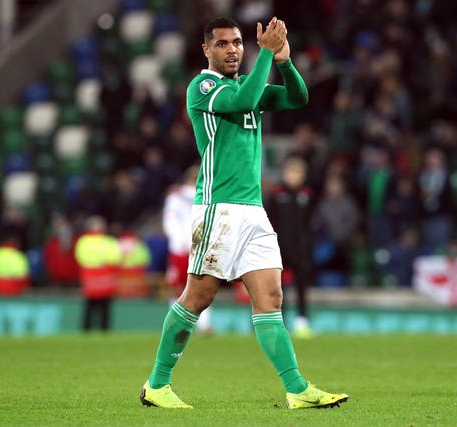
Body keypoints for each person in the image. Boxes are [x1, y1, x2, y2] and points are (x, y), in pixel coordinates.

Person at [140, 16, 347, 410]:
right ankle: (157, 384)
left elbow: (298, 98)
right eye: (222, 44)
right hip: (218, 208)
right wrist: (266, 54)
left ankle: (297, 389)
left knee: (270, 297)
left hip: (253, 209)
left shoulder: (244, 84)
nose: (232, 49)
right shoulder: (203, 87)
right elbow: (245, 101)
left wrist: (284, 60)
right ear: (206, 50)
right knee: (197, 296)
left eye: (237, 42)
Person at [266, 157, 314, 337]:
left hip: (301, 249)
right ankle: (280, 321)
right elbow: (270, 221)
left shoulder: (307, 195)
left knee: (302, 286)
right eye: (291, 173)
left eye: (298, 173)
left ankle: (302, 321)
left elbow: (310, 223)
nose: (294, 177)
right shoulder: (277, 194)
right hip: (279, 249)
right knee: (278, 289)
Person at [162, 165, 213, 334]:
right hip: (187, 247)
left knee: (184, 287)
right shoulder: (202, 196)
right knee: (196, 286)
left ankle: (182, 324)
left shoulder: (177, 196)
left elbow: (168, 220)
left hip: (185, 247)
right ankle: (199, 325)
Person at [74, 216, 121, 331]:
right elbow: (115, 259)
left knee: (89, 309)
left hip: (89, 281)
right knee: (105, 310)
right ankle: (104, 332)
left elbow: (80, 258)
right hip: (105, 281)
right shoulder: (109, 241)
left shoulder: (83, 241)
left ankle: (86, 332)